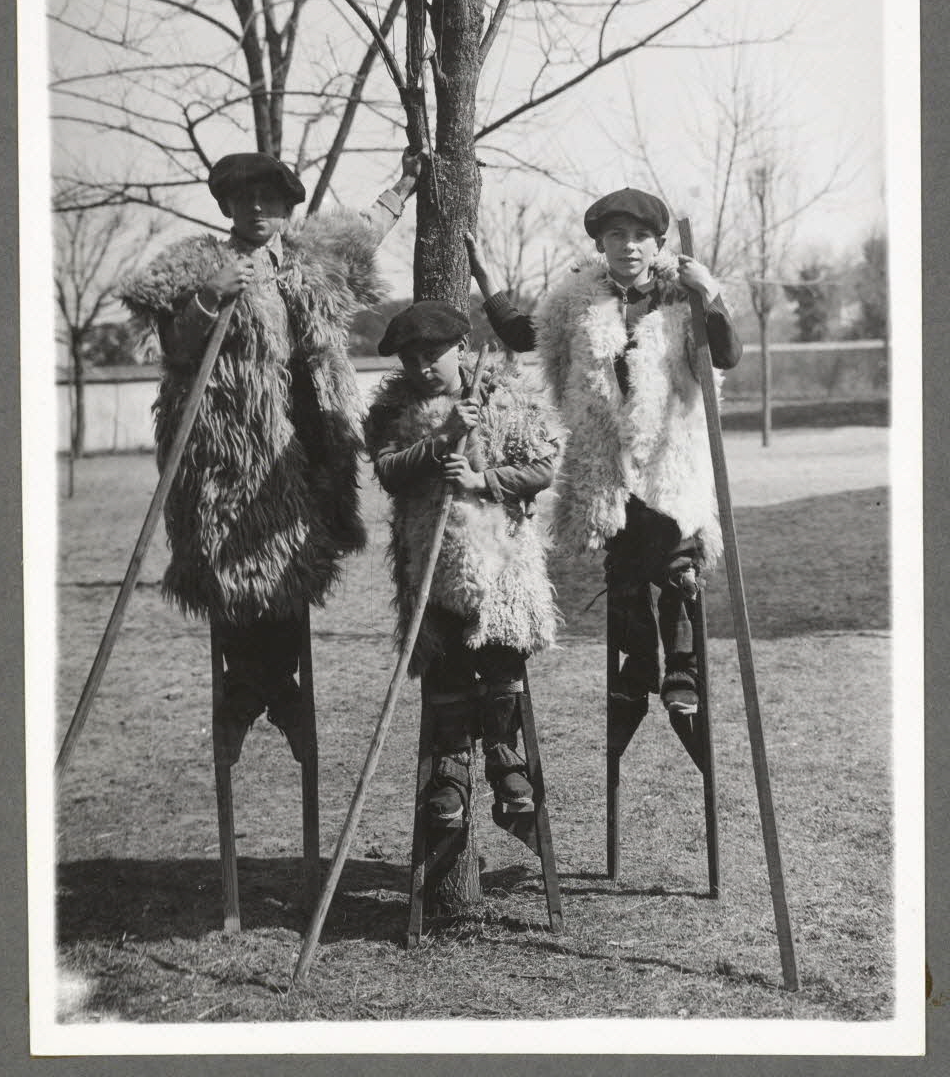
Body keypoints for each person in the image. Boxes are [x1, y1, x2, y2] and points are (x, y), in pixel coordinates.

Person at [120, 148, 421, 764]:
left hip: (307, 441)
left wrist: (406, 185)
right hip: (231, 453)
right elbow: (175, 351)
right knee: (232, 571)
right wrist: (208, 299)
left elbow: (364, 231)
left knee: (293, 569)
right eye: (244, 198)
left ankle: (262, 692)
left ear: (288, 206)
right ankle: (263, 696)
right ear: (227, 206)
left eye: (270, 198)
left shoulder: (312, 259)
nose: (258, 208)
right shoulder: (200, 264)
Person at [466, 187, 742, 736]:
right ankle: (637, 670)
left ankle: (682, 676)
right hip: (607, 462)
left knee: (679, 569)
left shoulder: (679, 295)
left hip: (669, 456)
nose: (629, 246)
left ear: (658, 243)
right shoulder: (576, 298)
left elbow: (726, 354)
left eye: (640, 236)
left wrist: (709, 293)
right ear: (600, 242)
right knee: (625, 575)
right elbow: (527, 334)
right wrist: (484, 278)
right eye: (617, 235)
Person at [364, 300, 561, 825]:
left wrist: (484, 482)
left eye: (433, 355)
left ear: (463, 349)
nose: (422, 368)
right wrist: (441, 437)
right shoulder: (392, 411)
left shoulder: (506, 397)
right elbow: (389, 471)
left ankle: (505, 759)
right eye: (411, 359)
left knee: (501, 662)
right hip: (431, 563)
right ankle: (451, 771)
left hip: (502, 569)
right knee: (446, 667)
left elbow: (543, 467)